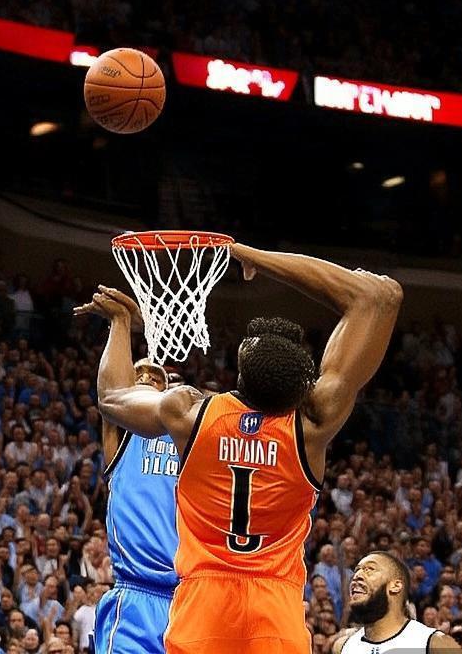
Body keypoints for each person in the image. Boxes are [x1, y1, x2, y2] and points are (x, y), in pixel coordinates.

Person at [88, 240, 403, 654]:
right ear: (301, 390)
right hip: (274, 612)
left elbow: (111, 396)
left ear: (239, 373)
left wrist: (119, 323)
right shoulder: (310, 426)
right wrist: (257, 258)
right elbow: (380, 296)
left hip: (203, 609)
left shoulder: (190, 413)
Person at [77, 289, 183, 654]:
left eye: (156, 378)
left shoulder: (189, 436)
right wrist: (120, 324)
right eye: (139, 375)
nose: (147, 380)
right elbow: (111, 395)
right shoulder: (122, 435)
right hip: (136, 594)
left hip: (189, 598)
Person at [334, 551, 462, 653]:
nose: (356, 576)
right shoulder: (343, 646)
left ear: (395, 586)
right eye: (357, 570)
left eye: (370, 569)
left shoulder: (434, 643)